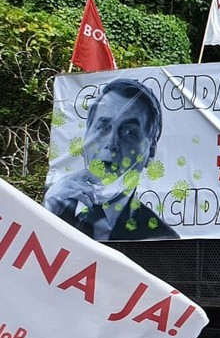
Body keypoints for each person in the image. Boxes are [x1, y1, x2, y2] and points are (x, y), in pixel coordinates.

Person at [44, 79, 178, 241]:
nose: (111, 143)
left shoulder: (160, 238)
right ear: (86, 137)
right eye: (103, 128)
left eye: (129, 132)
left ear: (151, 150)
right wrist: (46, 214)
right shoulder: (51, 202)